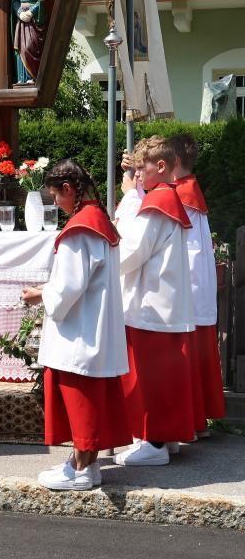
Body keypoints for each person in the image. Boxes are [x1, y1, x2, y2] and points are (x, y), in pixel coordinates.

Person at [21, 160, 130, 490]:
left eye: (55, 195)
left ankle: (82, 472)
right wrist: (46, 291)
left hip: (80, 331)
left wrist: (40, 296)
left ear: (68, 189)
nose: (55, 202)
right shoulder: (98, 219)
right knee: (90, 399)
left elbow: (69, 286)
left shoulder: (79, 229)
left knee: (80, 398)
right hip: (95, 324)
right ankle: (85, 465)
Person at [113, 136, 196, 466]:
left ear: (160, 167)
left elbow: (132, 251)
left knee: (150, 377)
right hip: (163, 303)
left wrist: (104, 261)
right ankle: (164, 439)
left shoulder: (158, 201)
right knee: (162, 376)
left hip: (152, 306)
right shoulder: (166, 197)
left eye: (141, 167)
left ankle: (155, 443)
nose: (136, 175)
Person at [170, 134, 225, 434]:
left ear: (174, 161)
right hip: (198, 286)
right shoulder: (190, 190)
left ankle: (190, 423)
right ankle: (200, 419)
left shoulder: (180, 194)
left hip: (187, 286)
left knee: (187, 358)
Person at [11, 0, 47, 85]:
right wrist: (20, 13)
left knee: (28, 47)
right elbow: (14, 1)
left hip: (33, 20)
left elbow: (41, 0)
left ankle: (31, 77)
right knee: (20, 48)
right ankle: (22, 78)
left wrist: (31, 12)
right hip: (22, 19)